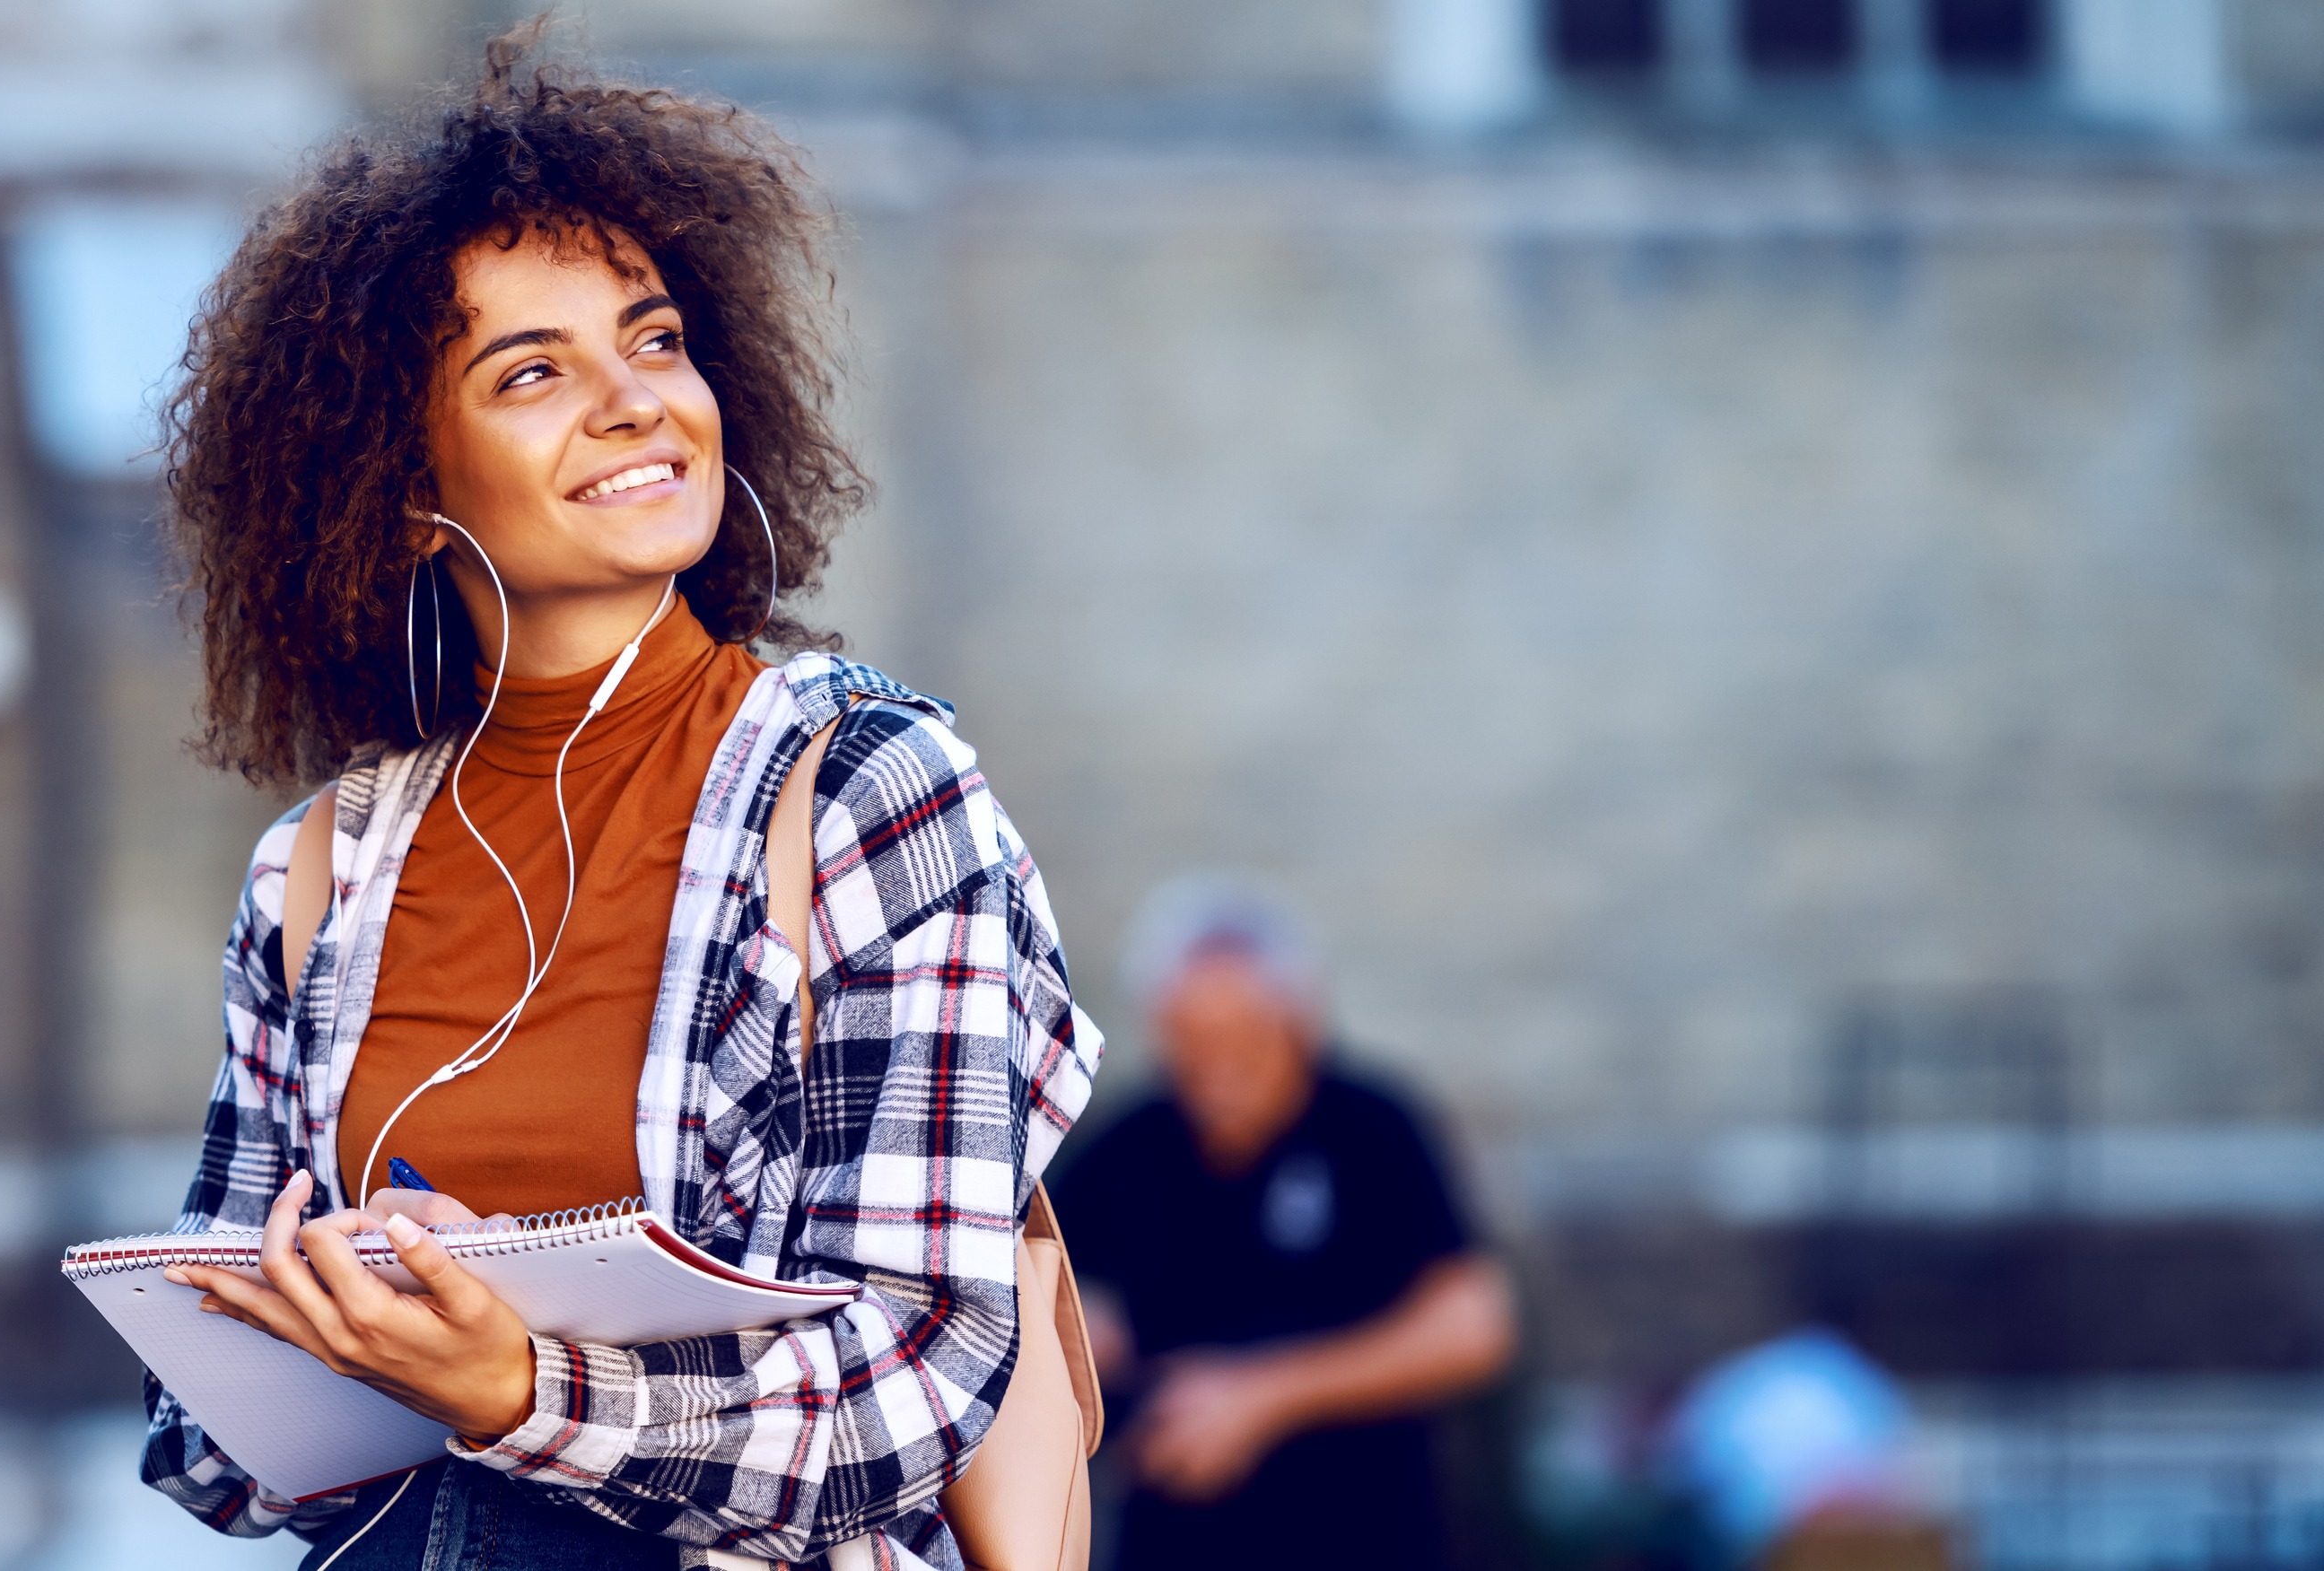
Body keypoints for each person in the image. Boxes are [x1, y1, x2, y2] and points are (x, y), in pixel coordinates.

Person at [132, 28, 1105, 1571]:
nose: (635, 401)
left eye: (654, 342)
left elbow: (915, 1387)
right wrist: (363, 1309)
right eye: (533, 372)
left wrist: (521, 1383)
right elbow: (206, 1451)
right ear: (402, 490)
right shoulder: (317, 874)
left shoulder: (866, 794)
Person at [1050, 877, 1516, 1571]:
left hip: (1367, 1534)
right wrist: (1082, 1336)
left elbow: (1473, 1326)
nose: (1217, 1073)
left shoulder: (1373, 1130)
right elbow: (1051, 1298)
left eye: (1242, 1041)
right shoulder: (1122, 1147)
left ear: (1300, 1019)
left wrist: (1264, 1396)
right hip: (1175, 1540)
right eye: (1191, 1044)